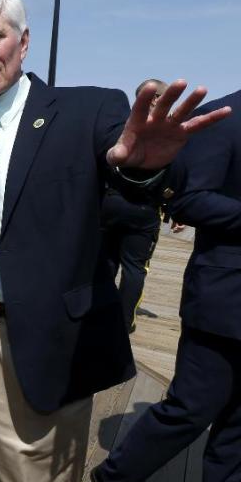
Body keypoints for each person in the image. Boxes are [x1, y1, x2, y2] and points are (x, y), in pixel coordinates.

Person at [0, 0, 230, 482]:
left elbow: (129, 166)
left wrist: (145, 169)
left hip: (41, 343)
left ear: (23, 41)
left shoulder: (88, 111)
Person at [90, 89, 239, 482]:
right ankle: (114, 480)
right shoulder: (225, 117)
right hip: (226, 298)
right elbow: (188, 199)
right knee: (192, 408)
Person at [99, 79, 168, 333]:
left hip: (111, 203)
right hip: (145, 209)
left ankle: (98, 312)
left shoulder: (120, 126)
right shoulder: (166, 131)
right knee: (135, 268)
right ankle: (124, 321)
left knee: (106, 260)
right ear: (154, 99)